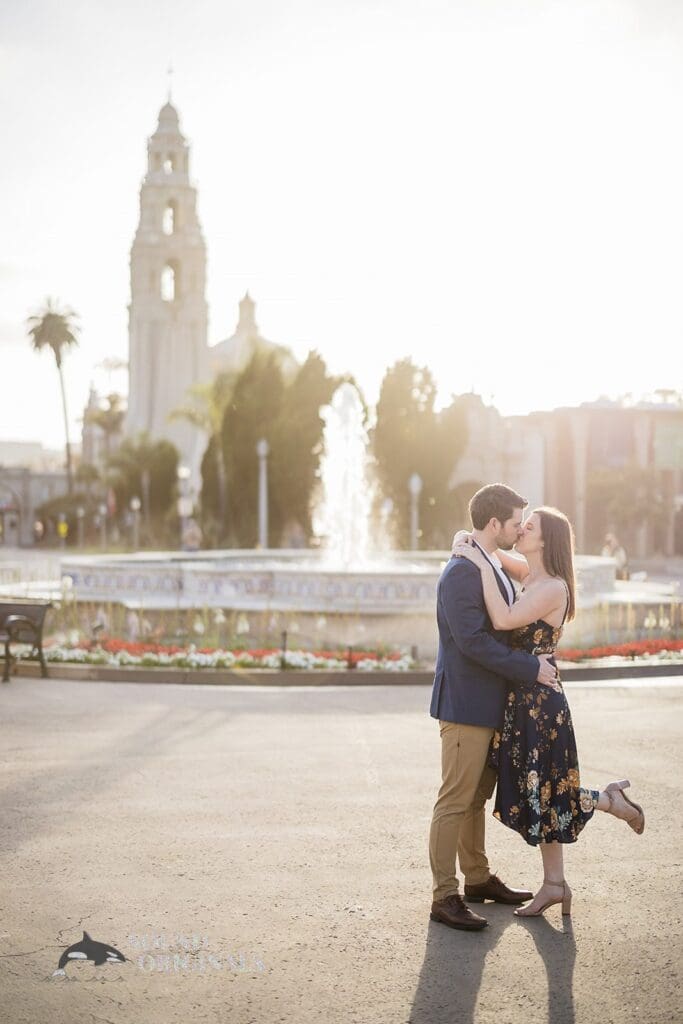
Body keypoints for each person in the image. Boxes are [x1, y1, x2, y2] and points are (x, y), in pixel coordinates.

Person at [452, 505, 645, 918]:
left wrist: (478, 563)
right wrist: (469, 544)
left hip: (541, 704)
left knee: (546, 791)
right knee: (539, 792)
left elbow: (503, 619)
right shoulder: (530, 573)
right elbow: (489, 552)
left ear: (546, 540)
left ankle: (606, 806)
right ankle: (557, 881)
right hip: (522, 698)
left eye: (530, 525)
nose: (521, 528)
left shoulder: (553, 587)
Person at [428, 483, 562, 932]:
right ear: (493, 524)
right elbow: (473, 642)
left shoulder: (487, 563)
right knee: (454, 800)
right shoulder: (462, 572)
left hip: (490, 704)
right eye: (514, 522)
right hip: (467, 704)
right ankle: (444, 895)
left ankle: (478, 879)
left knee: (474, 799)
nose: (519, 528)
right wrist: (529, 667)